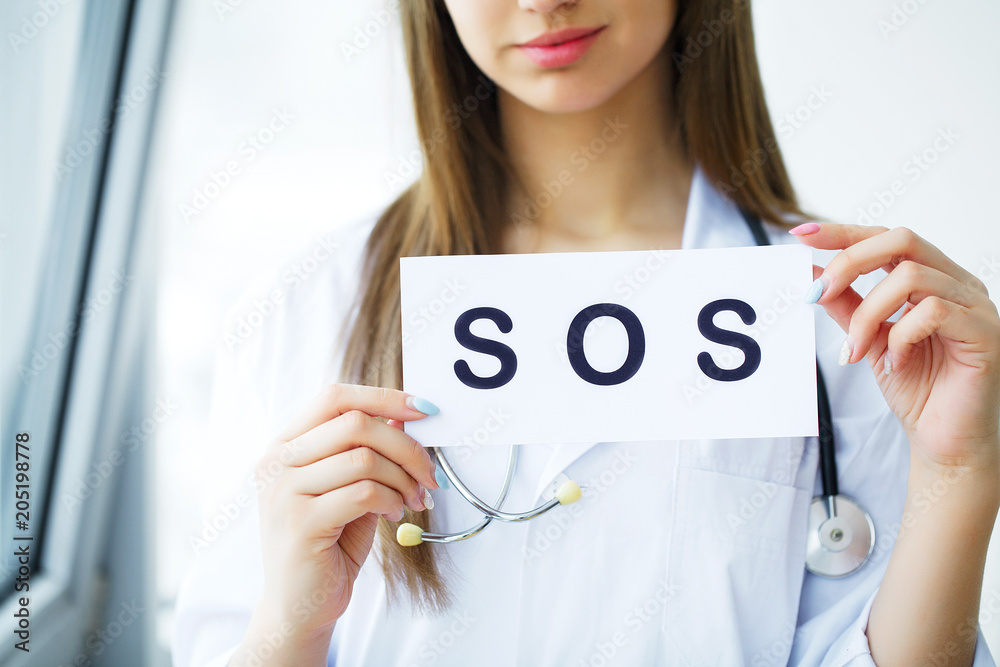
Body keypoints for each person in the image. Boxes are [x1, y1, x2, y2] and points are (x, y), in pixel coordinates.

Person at [172, 0, 1000, 665]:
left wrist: (962, 472)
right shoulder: (303, 304)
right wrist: (290, 629)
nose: (545, 2)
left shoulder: (843, 314)